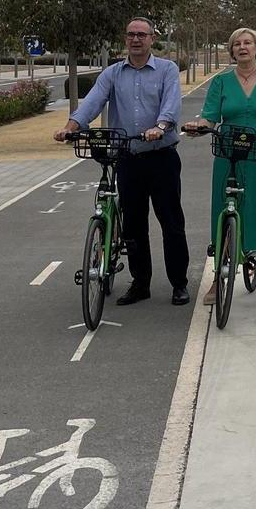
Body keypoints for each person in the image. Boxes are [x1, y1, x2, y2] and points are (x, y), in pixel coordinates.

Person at [54, 17, 190, 306]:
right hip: (128, 157)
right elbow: (93, 101)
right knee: (134, 226)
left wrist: (162, 126)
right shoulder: (113, 73)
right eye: (131, 34)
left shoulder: (166, 70)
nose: (136, 39)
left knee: (171, 223)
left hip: (162, 155)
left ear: (153, 38)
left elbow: (171, 104)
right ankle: (141, 283)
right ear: (125, 39)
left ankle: (179, 283)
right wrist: (71, 126)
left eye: (142, 34)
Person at [182, 27, 256, 308]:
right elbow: (210, 118)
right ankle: (219, 278)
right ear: (232, 51)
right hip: (228, 154)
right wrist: (200, 126)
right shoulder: (221, 82)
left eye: (248, 43)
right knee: (224, 212)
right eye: (237, 44)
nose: (242, 47)